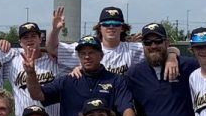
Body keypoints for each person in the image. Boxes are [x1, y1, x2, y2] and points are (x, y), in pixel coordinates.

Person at [26, 35, 136, 116]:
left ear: (101, 55)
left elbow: (126, 107)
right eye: (83, 53)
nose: (87, 57)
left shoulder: (116, 80)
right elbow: (37, 94)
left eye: (91, 52)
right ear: (79, 57)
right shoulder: (67, 81)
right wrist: (30, 73)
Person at [50, 6, 180, 78]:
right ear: (99, 27)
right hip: (95, 111)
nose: (111, 27)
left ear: (122, 28)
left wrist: (171, 57)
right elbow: (52, 49)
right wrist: (55, 30)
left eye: (115, 24)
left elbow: (162, 49)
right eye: (106, 24)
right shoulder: (87, 49)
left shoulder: (132, 49)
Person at [4, 21, 60, 116]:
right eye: (25, 37)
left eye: (33, 36)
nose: (29, 40)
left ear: (40, 39)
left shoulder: (54, 61)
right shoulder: (12, 62)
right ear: (20, 42)